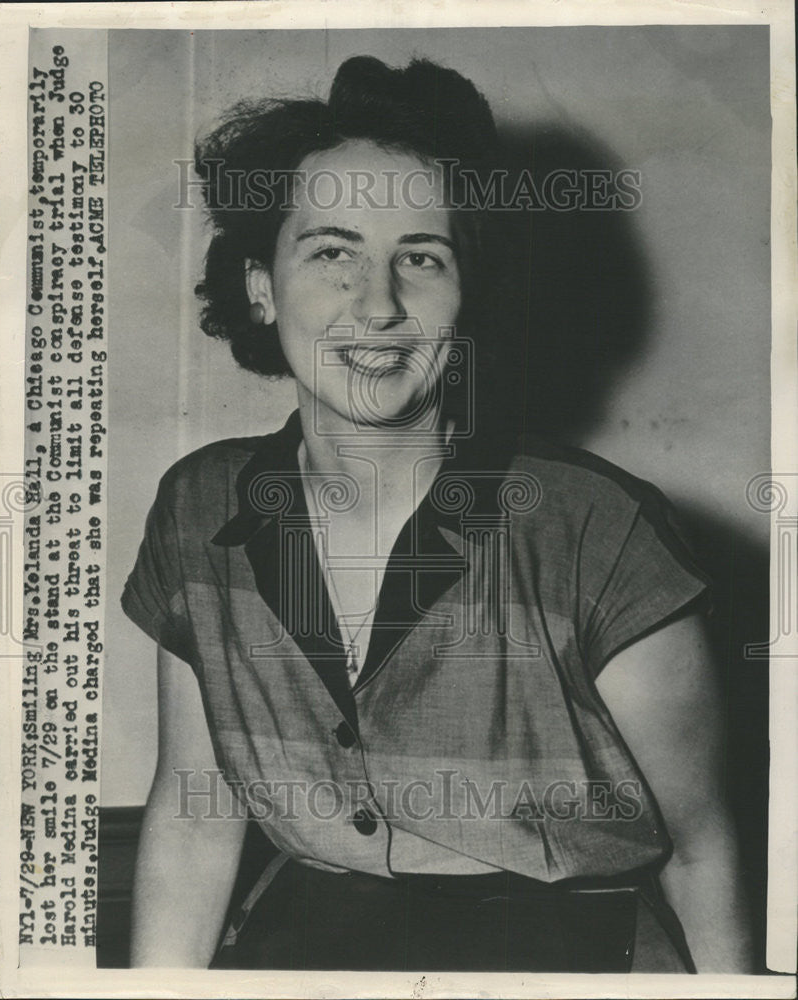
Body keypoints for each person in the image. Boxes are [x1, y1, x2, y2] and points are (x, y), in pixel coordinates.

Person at [122, 55, 752, 972]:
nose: (377, 306)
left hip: (568, 959)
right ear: (260, 284)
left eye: (421, 257)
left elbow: (702, 850)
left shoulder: (594, 529)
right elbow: (192, 822)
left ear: (467, 294)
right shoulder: (200, 507)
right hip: (301, 946)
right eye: (332, 251)